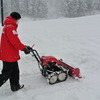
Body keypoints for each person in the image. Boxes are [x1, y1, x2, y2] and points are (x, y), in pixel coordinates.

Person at [0, 12, 30, 92]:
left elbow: (13, 41)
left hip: (9, 54)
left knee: (15, 72)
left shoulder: (7, 26)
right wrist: (24, 49)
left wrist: (24, 46)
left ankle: (15, 86)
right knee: (6, 74)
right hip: (8, 55)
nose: (18, 22)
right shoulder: (10, 28)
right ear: (15, 19)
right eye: (18, 20)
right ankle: (15, 86)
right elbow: (15, 42)